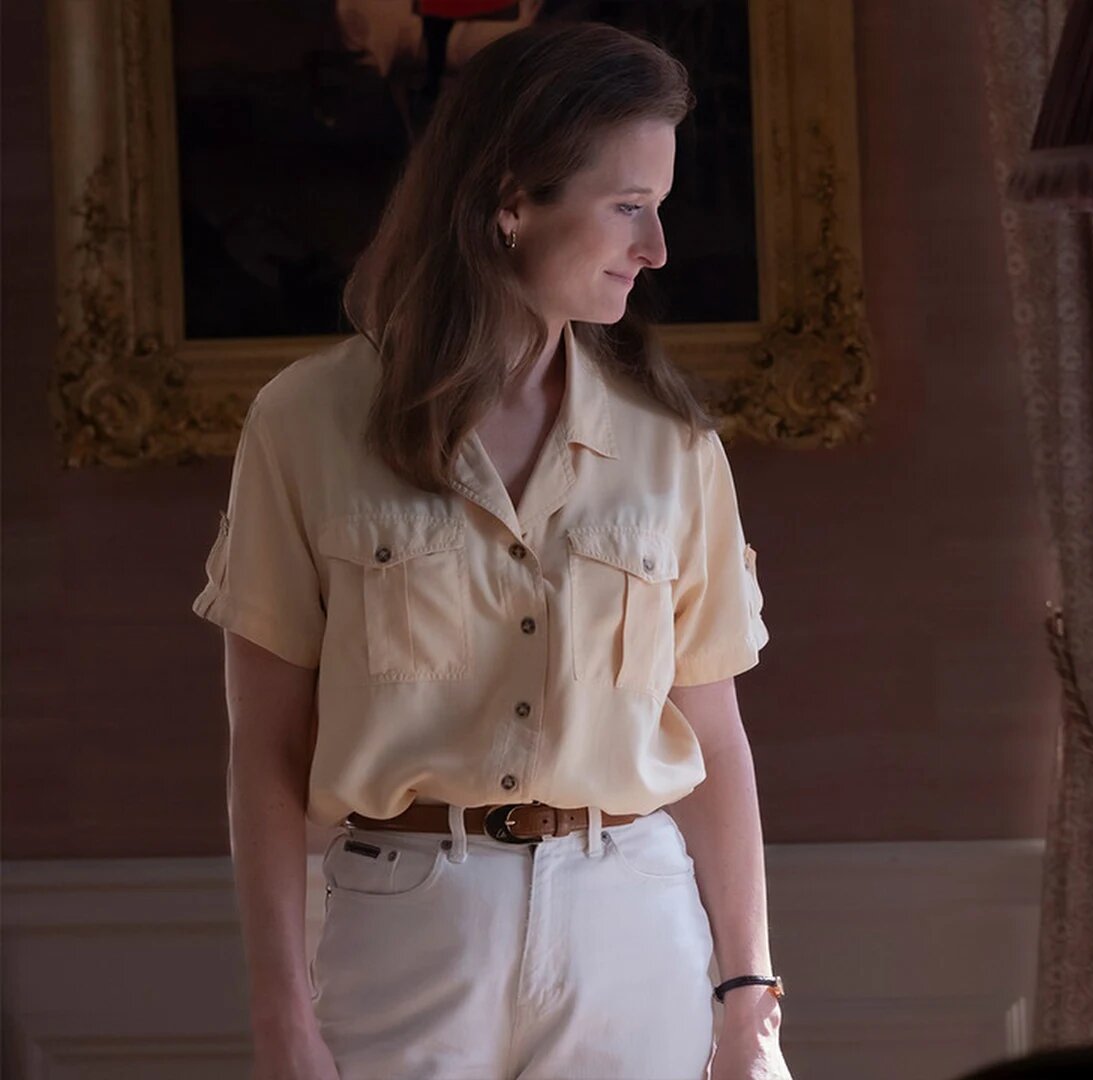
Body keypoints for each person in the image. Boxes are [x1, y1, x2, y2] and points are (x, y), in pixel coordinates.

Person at [196, 22, 788, 1080]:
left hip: (633, 926)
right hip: (405, 929)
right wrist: (279, 1011)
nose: (656, 248)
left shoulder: (673, 445)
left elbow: (715, 736)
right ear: (512, 201)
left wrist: (748, 993)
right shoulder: (306, 424)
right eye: (628, 206)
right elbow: (266, 748)